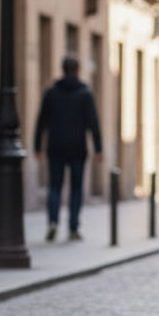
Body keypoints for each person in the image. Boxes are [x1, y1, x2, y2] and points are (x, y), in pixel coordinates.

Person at [34, 55, 102, 241]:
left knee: (54, 186)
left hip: (55, 146)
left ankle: (53, 222)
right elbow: (93, 123)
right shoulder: (84, 93)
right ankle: (73, 227)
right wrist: (98, 148)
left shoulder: (52, 93)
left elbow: (41, 121)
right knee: (76, 188)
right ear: (77, 70)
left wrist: (37, 146)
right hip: (77, 148)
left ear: (63, 70)